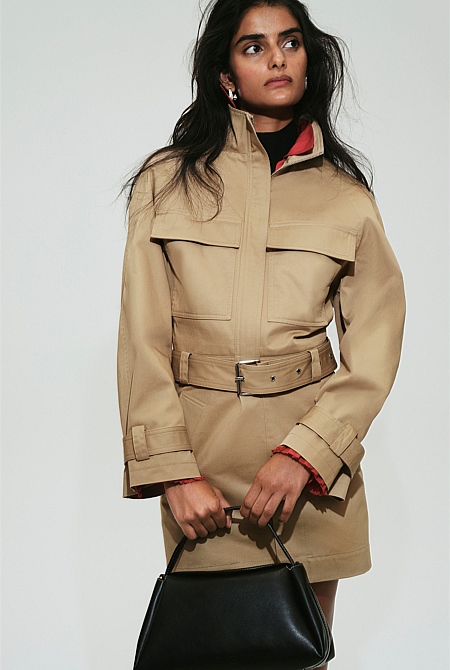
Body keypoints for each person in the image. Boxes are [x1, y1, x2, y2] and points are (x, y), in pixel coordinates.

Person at [118, 1, 405, 666]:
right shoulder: (166, 182)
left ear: (308, 59)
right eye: (253, 46)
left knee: (301, 658)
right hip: (204, 477)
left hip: (310, 480)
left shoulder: (346, 197)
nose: (276, 58)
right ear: (225, 74)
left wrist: (307, 454)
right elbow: (142, 339)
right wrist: (172, 474)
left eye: (290, 42)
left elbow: (375, 348)